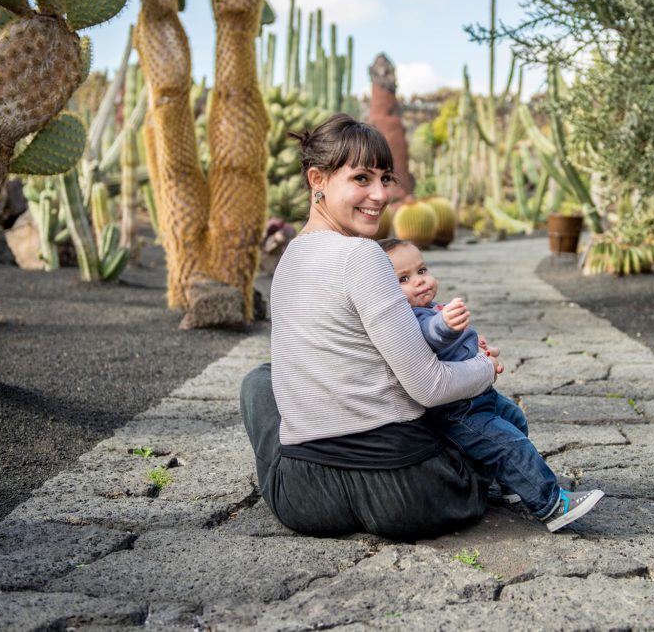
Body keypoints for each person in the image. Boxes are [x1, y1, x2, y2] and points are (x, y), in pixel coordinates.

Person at [240, 113, 500, 540]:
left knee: (259, 382)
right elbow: (429, 387)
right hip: (411, 496)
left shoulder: (288, 261)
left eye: (385, 178)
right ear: (317, 179)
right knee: (462, 382)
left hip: (303, 500)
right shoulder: (363, 256)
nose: (380, 194)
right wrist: (483, 367)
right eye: (361, 178)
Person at [378, 238, 605, 532]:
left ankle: (513, 482)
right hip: (459, 412)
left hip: (480, 396)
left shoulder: (432, 306)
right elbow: (431, 335)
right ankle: (551, 505)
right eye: (404, 279)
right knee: (510, 446)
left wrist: (473, 342)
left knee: (514, 418)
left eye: (422, 271)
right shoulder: (410, 318)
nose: (420, 282)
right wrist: (446, 326)